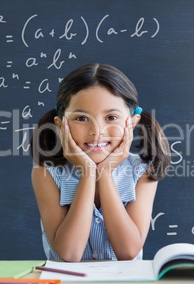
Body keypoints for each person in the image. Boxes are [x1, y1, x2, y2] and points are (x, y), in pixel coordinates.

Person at [30, 63, 170, 262]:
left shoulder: (143, 171)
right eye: (81, 118)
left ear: (131, 123)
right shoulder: (45, 173)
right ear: (60, 125)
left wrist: (104, 174)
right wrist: (88, 173)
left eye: (111, 117)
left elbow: (128, 251)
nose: (97, 131)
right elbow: (69, 253)